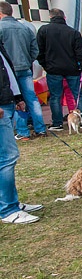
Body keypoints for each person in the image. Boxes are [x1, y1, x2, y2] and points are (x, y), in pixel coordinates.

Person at [0, 41, 42, 223]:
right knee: (7, 157)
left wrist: (16, 97)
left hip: (7, 101)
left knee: (7, 158)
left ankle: (11, 202)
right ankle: (8, 208)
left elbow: (6, 72)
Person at [36, 8, 82, 132]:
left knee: (55, 97)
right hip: (72, 68)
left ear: (50, 17)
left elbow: (39, 51)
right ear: (64, 18)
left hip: (53, 68)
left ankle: (57, 123)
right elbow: (81, 52)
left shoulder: (43, 30)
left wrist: (45, 65)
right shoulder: (73, 32)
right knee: (77, 95)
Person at [0, 2, 44, 139]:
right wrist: (28, 60)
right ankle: (40, 128)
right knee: (32, 98)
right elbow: (35, 50)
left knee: (14, 100)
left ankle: (23, 131)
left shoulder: (1, 28)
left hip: (8, 71)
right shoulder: (25, 28)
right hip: (25, 67)